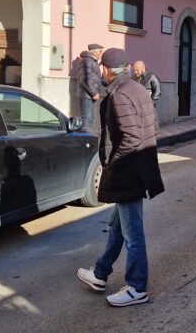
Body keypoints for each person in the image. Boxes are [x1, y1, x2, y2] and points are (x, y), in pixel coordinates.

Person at [77, 48, 164, 307]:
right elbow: (154, 128)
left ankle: (137, 287)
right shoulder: (138, 89)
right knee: (117, 227)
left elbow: (132, 137)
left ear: (106, 70)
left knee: (132, 234)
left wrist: (114, 163)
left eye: (102, 68)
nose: (100, 71)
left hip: (128, 173)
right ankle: (100, 274)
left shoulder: (119, 95)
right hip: (139, 169)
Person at [74, 44, 104, 132]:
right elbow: (85, 79)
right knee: (87, 119)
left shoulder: (93, 61)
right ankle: (85, 139)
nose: (101, 54)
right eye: (100, 52)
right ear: (94, 52)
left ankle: (89, 138)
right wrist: (94, 93)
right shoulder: (86, 61)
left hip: (91, 95)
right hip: (86, 95)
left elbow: (95, 78)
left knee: (92, 118)